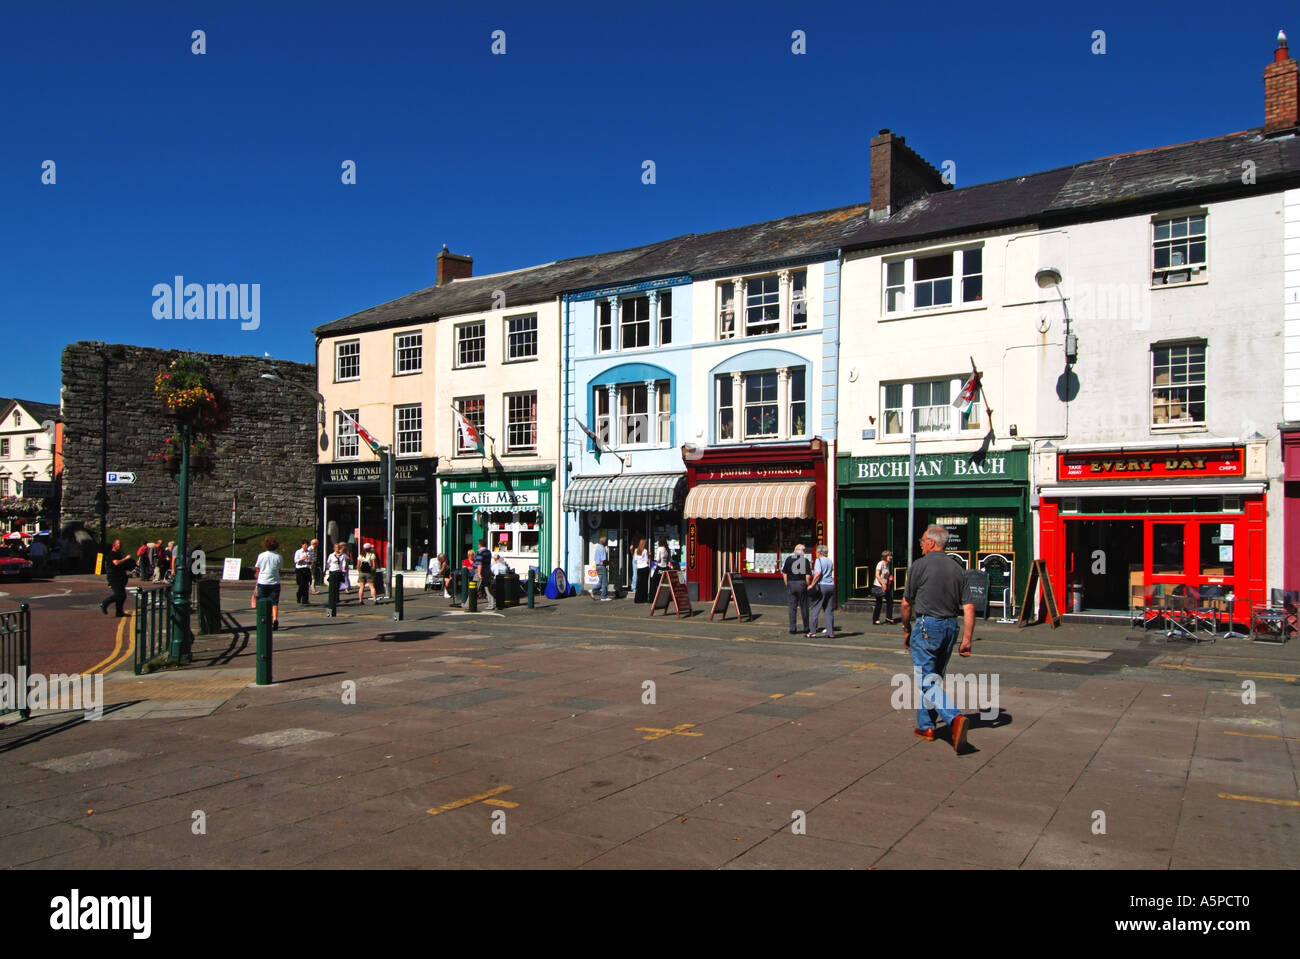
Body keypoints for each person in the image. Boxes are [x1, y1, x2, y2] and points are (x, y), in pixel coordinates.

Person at [901, 524, 976, 753]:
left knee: (926, 680)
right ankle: (927, 726)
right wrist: (967, 638)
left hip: (927, 625)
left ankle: (954, 719)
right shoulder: (957, 569)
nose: (921, 544)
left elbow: (906, 604)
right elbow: (969, 607)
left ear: (932, 542)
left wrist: (906, 628)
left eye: (923, 540)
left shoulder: (919, 566)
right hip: (950, 627)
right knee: (933, 678)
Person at [254, 535, 283, 629]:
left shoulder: (261, 555)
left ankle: (263, 620)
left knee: (262, 601)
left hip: (263, 581)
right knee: (274, 602)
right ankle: (274, 619)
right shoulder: (279, 556)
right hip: (275, 582)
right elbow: (279, 569)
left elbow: (258, 568)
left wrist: (257, 575)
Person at [807, 544, 836, 639]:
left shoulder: (818, 560)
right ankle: (830, 632)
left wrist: (812, 584)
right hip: (831, 585)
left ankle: (812, 632)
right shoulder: (830, 561)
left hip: (822, 586)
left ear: (819, 553)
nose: (815, 554)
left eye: (816, 552)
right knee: (829, 610)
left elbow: (818, 573)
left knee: (815, 609)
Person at [782, 543, 812, 635]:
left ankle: (792, 628)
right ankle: (806, 627)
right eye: (804, 551)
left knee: (792, 607)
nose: (804, 552)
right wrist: (808, 585)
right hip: (801, 583)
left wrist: (787, 583)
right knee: (804, 606)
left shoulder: (788, 559)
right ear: (801, 551)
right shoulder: (805, 560)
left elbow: (784, 573)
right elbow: (807, 576)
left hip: (791, 583)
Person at [98, 539, 133, 616]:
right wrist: (126, 558)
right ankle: (104, 603)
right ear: (114, 545)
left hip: (120, 577)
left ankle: (119, 612)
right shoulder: (112, 554)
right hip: (114, 577)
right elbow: (116, 563)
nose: (120, 545)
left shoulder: (118, 553)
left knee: (122, 595)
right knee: (118, 594)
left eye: (120, 544)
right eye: (118, 544)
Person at [873, 549, 896, 625]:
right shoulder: (881, 563)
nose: (891, 557)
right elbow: (877, 575)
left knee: (889, 600)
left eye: (891, 556)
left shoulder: (887, 565)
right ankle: (875, 619)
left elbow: (885, 575)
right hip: (879, 585)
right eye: (889, 556)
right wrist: (883, 583)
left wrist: (890, 577)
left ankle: (888, 618)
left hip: (885, 586)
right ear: (885, 556)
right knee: (879, 602)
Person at [325, 541, 350, 608]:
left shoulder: (342, 555)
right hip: (332, 571)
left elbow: (344, 563)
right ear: (334, 548)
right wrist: (327, 569)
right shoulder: (331, 555)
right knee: (332, 586)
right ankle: (332, 600)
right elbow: (328, 563)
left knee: (337, 585)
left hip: (339, 571)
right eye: (336, 547)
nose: (337, 549)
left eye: (338, 547)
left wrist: (344, 569)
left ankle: (336, 598)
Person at [293, 540, 312, 605]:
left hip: (306, 569)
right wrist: (302, 559)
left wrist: (309, 561)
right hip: (300, 569)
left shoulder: (309, 552)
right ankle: (299, 596)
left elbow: (311, 560)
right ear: (302, 545)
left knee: (306, 585)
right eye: (305, 545)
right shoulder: (298, 552)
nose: (306, 546)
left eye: (307, 545)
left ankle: (305, 600)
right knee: (301, 584)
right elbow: (296, 561)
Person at [592, 536, 610, 601]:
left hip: (597, 566)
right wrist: (609, 563)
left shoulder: (597, 547)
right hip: (602, 566)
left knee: (601, 582)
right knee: (604, 582)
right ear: (604, 543)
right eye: (606, 542)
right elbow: (603, 560)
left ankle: (601, 594)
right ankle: (603, 596)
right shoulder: (602, 548)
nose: (607, 543)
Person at [633, 539, 651, 603]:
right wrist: (649, 556)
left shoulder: (636, 550)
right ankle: (644, 598)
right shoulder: (645, 550)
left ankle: (638, 599)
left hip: (639, 568)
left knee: (639, 584)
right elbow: (646, 560)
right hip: (645, 567)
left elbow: (635, 559)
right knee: (645, 584)